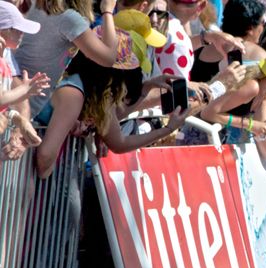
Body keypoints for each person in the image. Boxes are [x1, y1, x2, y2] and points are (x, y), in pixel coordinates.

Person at [36, 28, 189, 179]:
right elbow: (45, 154)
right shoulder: (73, 94)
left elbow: (114, 129)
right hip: (31, 172)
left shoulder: (97, 92)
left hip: (55, 171)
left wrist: (147, 88)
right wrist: (46, 174)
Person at [14, 0, 119, 120]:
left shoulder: (33, 4)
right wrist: (107, 11)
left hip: (14, 100)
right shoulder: (69, 19)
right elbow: (109, 58)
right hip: (20, 110)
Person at [0, 1, 48, 162]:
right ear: (3, 29)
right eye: (17, 29)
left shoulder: (4, 62)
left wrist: (20, 121)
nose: (22, 34)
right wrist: (26, 89)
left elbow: (2, 106)